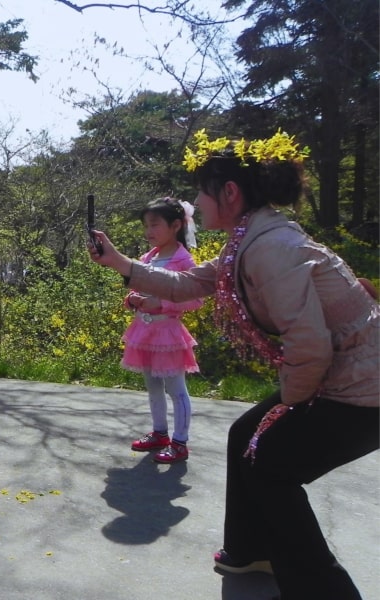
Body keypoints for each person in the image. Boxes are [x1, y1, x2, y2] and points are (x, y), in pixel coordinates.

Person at [88, 130, 379, 600]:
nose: (196, 204)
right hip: (339, 377)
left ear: (230, 193)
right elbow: (185, 285)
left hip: (364, 390)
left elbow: (309, 349)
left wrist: (290, 406)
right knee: (245, 434)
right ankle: (252, 550)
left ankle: (326, 591)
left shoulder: (270, 247)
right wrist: (120, 261)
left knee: (268, 465)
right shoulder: (250, 237)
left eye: (203, 192)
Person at [122, 197, 203, 464]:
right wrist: (134, 298)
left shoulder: (183, 260)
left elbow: (196, 298)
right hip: (144, 331)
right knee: (153, 385)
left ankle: (180, 442)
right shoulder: (149, 257)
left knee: (176, 388)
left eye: (155, 225)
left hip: (167, 333)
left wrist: (162, 303)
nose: (148, 231)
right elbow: (142, 286)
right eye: (146, 225)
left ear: (176, 225)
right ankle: (160, 433)